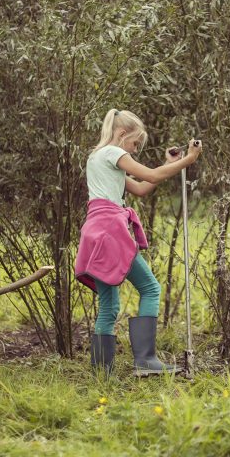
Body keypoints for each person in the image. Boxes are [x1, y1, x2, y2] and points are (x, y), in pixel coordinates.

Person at [75, 109, 202, 375]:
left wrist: (168, 163)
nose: (133, 151)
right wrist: (188, 160)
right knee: (150, 288)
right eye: (134, 144)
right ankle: (145, 361)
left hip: (94, 232)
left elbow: (143, 188)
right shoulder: (113, 153)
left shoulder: (96, 158)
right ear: (121, 134)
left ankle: (102, 374)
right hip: (110, 231)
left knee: (109, 305)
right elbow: (152, 176)